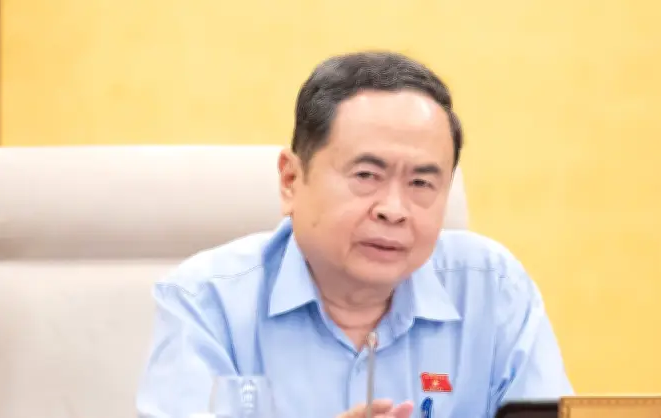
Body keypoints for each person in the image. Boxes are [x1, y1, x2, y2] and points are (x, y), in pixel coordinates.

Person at [136, 51, 573, 418]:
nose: (393, 210)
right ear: (291, 180)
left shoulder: (493, 290)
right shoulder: (206, 302)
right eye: (366, 175)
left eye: (421, 183)